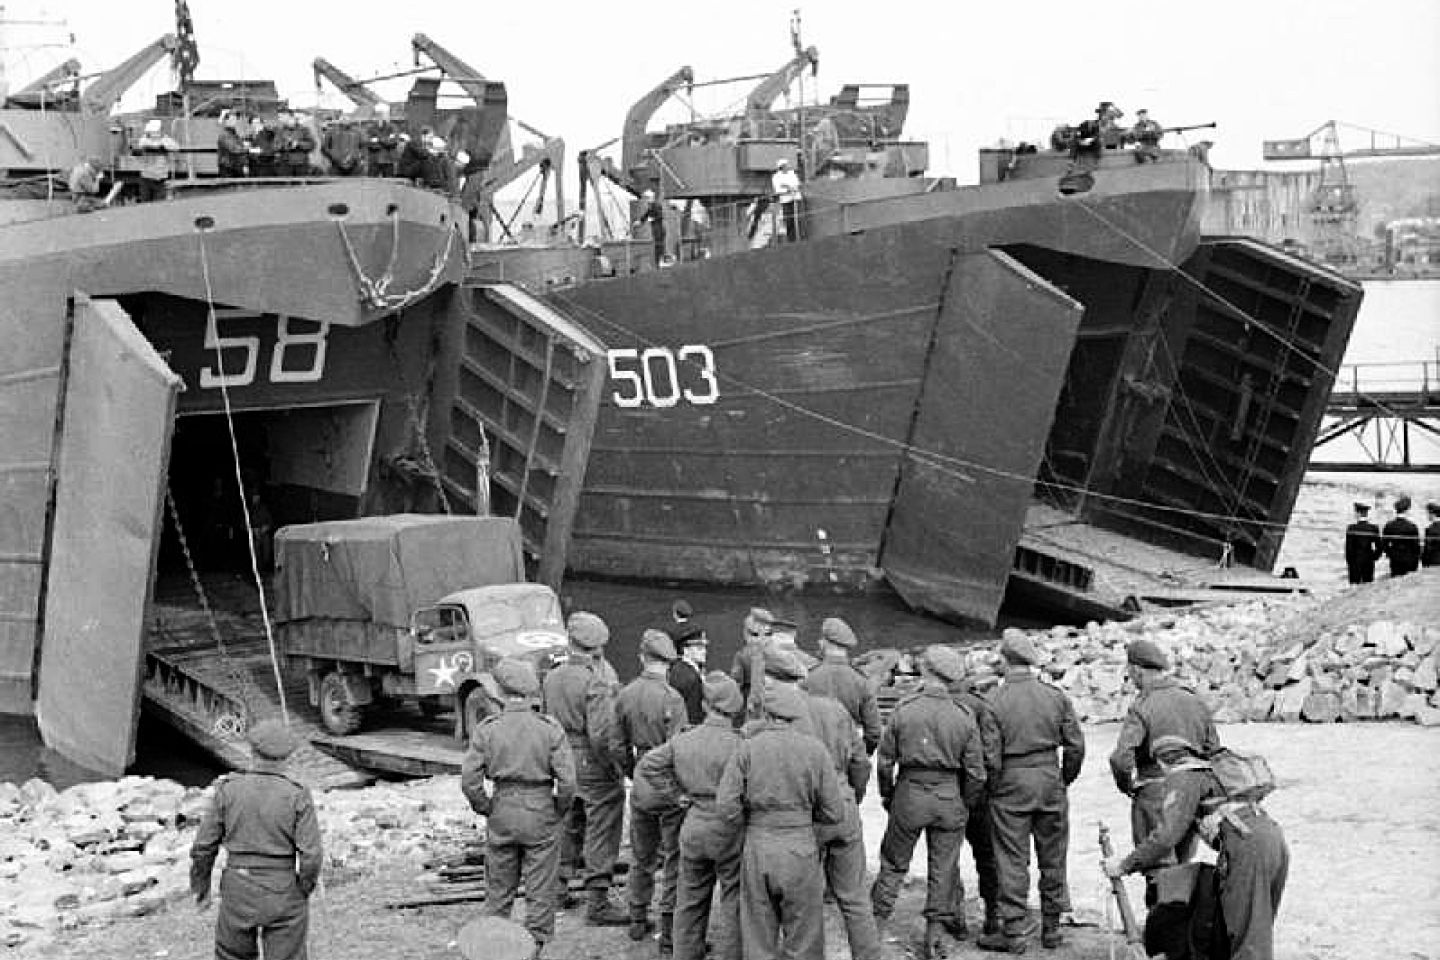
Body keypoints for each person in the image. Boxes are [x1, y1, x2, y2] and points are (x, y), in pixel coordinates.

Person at [1104, 736, 1289, 960]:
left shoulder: (1183, 778)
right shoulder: (1210, 772)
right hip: (1271, 836)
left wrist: (1124, 866)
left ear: (1161, 762)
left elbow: (1165, 837)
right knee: (1257, 930)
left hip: (1246, 845)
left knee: (1245, 939)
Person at [762, 647, 880, 960]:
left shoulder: (773, 715)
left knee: (803, 899)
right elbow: (861, 761)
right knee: (855, 898)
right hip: (843, 805)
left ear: (770, 679)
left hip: (804, 814)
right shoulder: (836, 709)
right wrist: (851, 795)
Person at [870, 645, 986, 960]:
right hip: (949, 797)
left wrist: (889, 795)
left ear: (926, 672)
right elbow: (976, 772)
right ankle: (934, 940)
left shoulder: (905, 709)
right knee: (943, 868)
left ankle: (874, 930)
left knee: (893, 863)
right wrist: (964, 803)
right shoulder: (963, 715)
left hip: (910, 792)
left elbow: (884, 762)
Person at [715, 683, 845, 960]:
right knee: (804, 934)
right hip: (800, 845)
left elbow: (726, 806)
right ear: (796, 715)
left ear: (766, 714)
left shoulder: (747, 749)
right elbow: (835, 812)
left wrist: (749, 823)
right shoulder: (815, 750)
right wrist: (805, 821)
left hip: (757, 843)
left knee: (758, 932)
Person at [461, 659, 576, 958]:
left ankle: (493, 947)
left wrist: (485, 807)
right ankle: (534, 947)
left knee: (498, 887)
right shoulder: (549, 729)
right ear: (530, 693)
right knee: (540, 886)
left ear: (499, 691)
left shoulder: (488, 729)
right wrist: (557, 809)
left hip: (502, 807)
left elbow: (470, 780)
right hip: (540, 809)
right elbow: (568, 782)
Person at [979, 634, 1085, 953]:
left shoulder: (993, 700)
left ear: (1006, 660)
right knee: (1053, 857)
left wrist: (996, 787)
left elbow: (990, 756)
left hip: (1011, 783)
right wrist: (1063, 779)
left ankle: (1014, 931)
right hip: (1050, 779)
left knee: (1012, 859)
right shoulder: (1056, 696)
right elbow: (1076, 746)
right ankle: (1052, 929)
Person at [189, 719, 323, 960]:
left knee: (232, 955)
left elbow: (202, 847)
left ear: (251, 752)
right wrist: (303, 889)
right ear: (287, 757)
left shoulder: (228, 790)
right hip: (283, 886)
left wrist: (202, 889)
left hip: (237, 887)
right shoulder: (296, 794)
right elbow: (311, 856)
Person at [636, 672, 745, 960]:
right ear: (736, 708)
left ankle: (684, 954)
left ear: (706, 705)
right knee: (734, 897)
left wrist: (676, 795)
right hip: (730, 826)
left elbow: (649, 765)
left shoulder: (684, 739)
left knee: (690, 899)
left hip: (694, 822)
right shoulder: (741, 744)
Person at [1108, 638, 1220, 906]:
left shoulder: (1142, 705)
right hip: (1191, 796)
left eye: (1130, 671)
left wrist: (1129, 787)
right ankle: (1181, 938)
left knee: (1158, 873)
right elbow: (1214, 751)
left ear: (1137, 670)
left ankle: (1162, 938)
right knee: (1182, 872)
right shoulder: (1194, 700)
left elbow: (1121, 759)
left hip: (1154, 794)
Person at [540, 611, 629, 926]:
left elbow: (546, 721)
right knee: (602, 826)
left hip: (561, 757)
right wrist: (615, 767)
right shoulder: (596, 681)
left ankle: (558, 889)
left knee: (566, 823)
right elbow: (601, 735)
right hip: (592, 761)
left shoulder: (551, 677)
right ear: (598, 646)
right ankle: (599, 901)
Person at [611, 629, 687, 952]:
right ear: (668, 664)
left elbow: (615, 745)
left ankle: (637, 919)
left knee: (641, 855)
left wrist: (634, 771)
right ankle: (669, 927)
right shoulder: (673, 698)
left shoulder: (625, 694)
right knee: (673, 857)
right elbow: (680, 748)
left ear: (642, 657)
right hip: (669, 779)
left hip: (641, 775)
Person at [945, 656, 1002, 940]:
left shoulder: (934, 704)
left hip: (945, 791)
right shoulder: (981, 705)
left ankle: (955, 917)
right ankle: (994, 916)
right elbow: (992, 756)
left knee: (947, 856)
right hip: (979, 793)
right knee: (988, 857)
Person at [802, 616, 882, 755]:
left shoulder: (808, 678)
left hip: (814, 754)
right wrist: (862, 754)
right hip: (848, 753)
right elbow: (874, 732)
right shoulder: (861, 681)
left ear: (825, 643)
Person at [730, 606, 775, 721]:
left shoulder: (742, 656)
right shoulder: (780, 655)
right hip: (776, 708)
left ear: (745, 633)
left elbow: (736, 686)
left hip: (752, 709)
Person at [669, 623, 708, 725]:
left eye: (704, 647)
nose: (704, 652)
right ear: (685, 650)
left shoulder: (677, 668)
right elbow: (694, 713)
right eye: (699, 648)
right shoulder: (692, 678)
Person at [133, 118, 180, 202]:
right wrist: (156, 146)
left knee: (159, 203)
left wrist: (163, 145)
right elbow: (142, 146)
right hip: (147, 176)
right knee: (145, 202)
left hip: (161, 177)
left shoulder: (165, 139)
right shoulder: (144, 139)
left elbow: (176, 147)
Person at [1381, 495, 1422, 577]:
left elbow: (1384, 545)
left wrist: (1391, 554)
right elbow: (1416, 547)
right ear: (1407, 510)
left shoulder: (1389, 525)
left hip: (1395, 560)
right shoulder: (1412, 526)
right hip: (1409, 560)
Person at [1343, 501, 1383, 584]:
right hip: (1368, 561)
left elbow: (1348, 548)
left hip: (1355, 561)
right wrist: (1373, 558)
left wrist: (1350, 562)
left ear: (1358, 513)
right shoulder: (1373, 528)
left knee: (1354, 588)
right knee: (1367, 587)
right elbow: (1379, 547)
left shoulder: (1351, 528)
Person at [633, 189, 668, 267]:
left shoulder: (657, 205)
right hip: (655, 229)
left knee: (659, 245)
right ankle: (658, 263)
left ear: (651, 198)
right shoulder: (651, 206)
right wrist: (639, 221)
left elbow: (661, 215)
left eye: (647, 198)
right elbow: (646, 215)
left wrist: (652, 219)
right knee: (657, 245)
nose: (646, 200)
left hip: (659, 229)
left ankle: (660, 262)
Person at [771, 158, 802, 242]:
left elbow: (796, 184)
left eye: (787, 165)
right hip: (785, 200)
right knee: (788, 220)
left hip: (796, 198)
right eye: (785, 165)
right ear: (781, 167)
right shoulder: (776, 177)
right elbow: (778, 189)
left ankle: (799, 238)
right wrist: (787, 189)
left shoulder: (792, 174)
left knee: (798, 219)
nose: (787, 166)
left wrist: (787, 186)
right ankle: (791, 239)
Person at [216, 112, 248, 178]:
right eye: (231, 120)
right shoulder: (224, 134)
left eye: (235, 120)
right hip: (227, 166)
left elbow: (238, 145)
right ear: (226, 121)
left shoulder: (234, 133)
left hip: (236, 165)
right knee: (228, 186)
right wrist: (248, 149)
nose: (234, 122)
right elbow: (234, 149)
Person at [1422, 501, 1440, 568]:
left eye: (1427, 513)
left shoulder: (1430, 529)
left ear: (1432, 514)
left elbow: (1428, 549)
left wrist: (1424, 563)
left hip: (1434, 562)